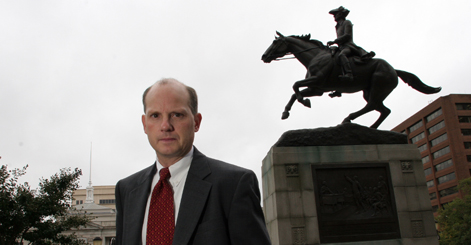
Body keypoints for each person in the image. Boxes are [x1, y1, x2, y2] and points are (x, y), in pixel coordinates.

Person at [115, 78, 271, 245]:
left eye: (177, 115)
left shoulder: (233, 185)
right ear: (145, 125)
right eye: (155, 115)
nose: (166, 126)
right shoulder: (127, 190)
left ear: (196, 122)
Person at [327, 6, 375, 97]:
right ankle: (337, 88)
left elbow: (347, 35)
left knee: (342, 55)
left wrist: (334, 41)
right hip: (341, 47)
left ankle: (349, 74)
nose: (334, 17)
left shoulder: (347, 22)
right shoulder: (337, 26)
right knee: (332, 59)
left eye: (335, 14)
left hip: (348, 46)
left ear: (340, 14)